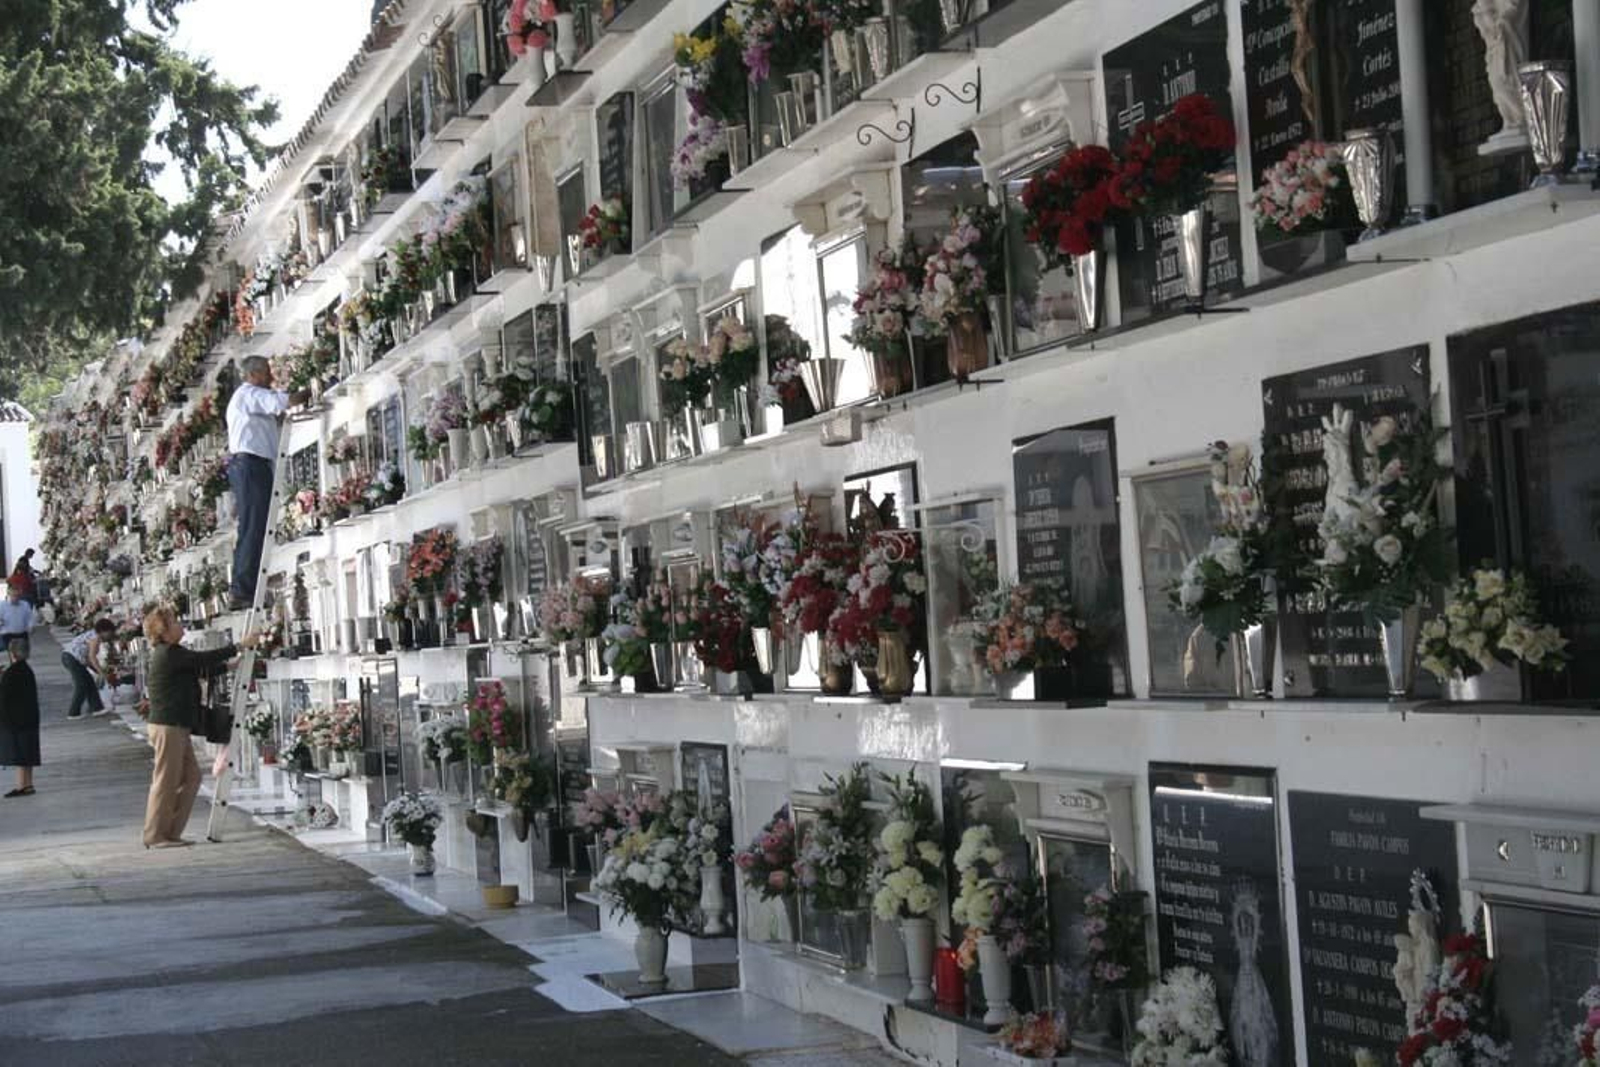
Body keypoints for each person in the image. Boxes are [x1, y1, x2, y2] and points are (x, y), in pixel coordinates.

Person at [141, 605, 259, 847]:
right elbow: (201, 660)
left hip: (176, 725)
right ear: (163, 631)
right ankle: (155, 835)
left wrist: (230, 666)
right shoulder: (169, 653)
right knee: (165, 780)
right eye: (173, 622)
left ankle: (170, 832)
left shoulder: (174, 653)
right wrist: (239, 645)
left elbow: (198, 669)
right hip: (168, 725)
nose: (179, 624)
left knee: (192, 777)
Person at [225, 356, 308, 611]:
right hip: (251, 466)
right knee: (253, 529)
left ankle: (243, 587)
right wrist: (308, 391)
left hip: (249, 466)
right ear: (254, 374)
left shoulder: (245, 399)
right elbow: (281, 402)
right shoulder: (249, 394)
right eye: (266, 373)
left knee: (253, 527)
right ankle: (243, 589)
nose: (271, 378)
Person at [0, 638, 40, 797]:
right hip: (30, 716)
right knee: (28, 751)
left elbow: (4, 696)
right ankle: (28, 784)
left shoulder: (12, 672)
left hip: (16, 719)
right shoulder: (26, 669)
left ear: (12, 653)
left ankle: (22, 785)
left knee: (20, 752)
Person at [63, 619, 117, 720]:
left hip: (74, 658)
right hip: (72, 658)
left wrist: (97, 670)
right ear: (103, 631)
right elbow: (92, 657)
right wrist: (101, 673)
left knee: (90, 682)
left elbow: (89, 659)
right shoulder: (95, 638)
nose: (110, 636)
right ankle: (73, 712)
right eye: (109, 633)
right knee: (81, 685)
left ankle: (97, 708)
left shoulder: (93, 635)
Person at [0, 580, 35, 645]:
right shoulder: (2, 605)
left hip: (22, 633)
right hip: (8, 634)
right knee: (14, 653)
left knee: (23, 653)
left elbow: (30, 617)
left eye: (17, 596)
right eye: (13, 595)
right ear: (9, 594)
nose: (16, 598)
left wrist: (31, 626)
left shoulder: (25, 605)